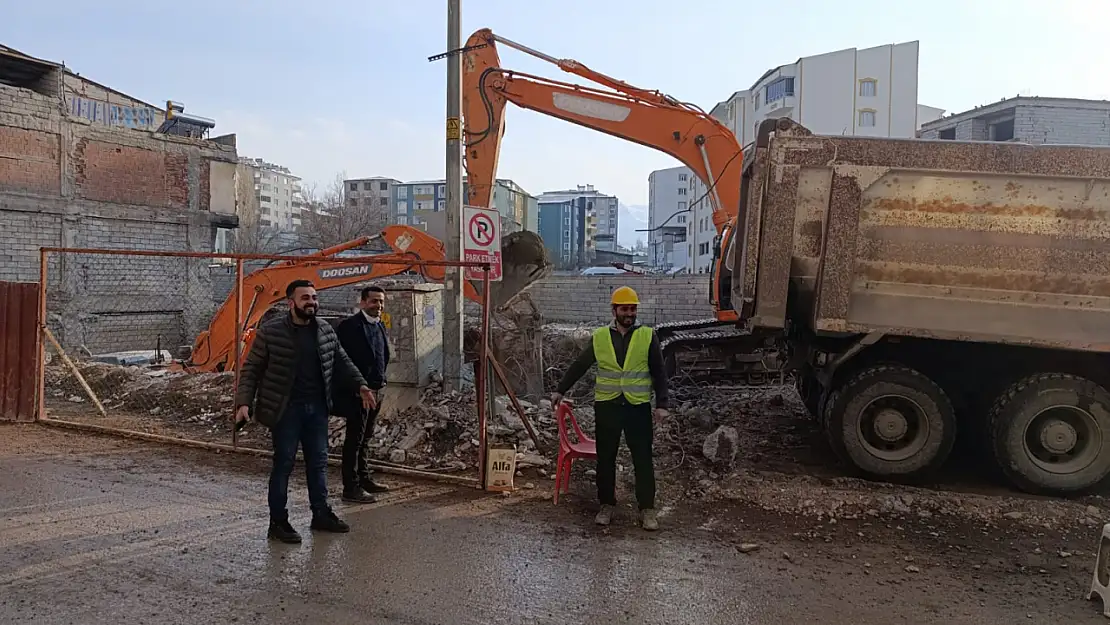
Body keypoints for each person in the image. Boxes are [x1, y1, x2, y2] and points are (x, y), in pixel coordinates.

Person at [234, 279, 376, 544]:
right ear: (291, 303)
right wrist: (243, 403)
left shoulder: (324, 329)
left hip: (317, 409)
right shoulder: (270, 332)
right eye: (305, 298)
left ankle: (320, 514)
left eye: (313, 297)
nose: (311, 302)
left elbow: (342, 360)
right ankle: (278, 522)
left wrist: (361, 385)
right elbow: (251, 369)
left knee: (319, 464)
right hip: (285, 410)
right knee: (284, 464)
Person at [551, 286, 670, 531]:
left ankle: (647, 509)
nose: (629, 313)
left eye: (633, 309)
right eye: (625, 309)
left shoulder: (648, 336)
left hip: (637, 408)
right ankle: (606, 504)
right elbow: (580, 364)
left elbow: (659, 373)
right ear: (614, 310)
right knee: (606, 459)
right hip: (607, 407)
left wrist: (662, 405)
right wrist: (560, 389)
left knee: (643, 460)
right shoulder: (600, 337)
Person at [334, 285, 392, 503]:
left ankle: (364, 478)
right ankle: (351, 487)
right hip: (358, 392)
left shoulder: (380, 326)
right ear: (363, 302)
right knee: (354, 439)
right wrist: (357, 387)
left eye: (381, 302)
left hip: (376, 390)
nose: (378, 305)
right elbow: (342, 361)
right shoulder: (349, 327)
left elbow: (381, 355)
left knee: (366, 437)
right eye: (374, 301)